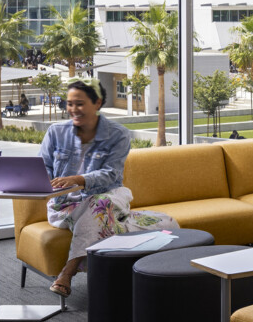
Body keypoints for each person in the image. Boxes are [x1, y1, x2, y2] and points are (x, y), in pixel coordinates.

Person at [40, 80, 170, 297]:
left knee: (99, 204)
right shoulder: (55, 132)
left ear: (97, 102)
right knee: (164, 222)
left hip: (109, 195)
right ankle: (153, 228)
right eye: (69, 103)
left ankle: (67, 272)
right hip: (66, 204)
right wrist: (39, 182)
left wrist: (79, 179)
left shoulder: (118, 134)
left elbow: (111, 173)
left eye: (79, 103)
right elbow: (42, 167)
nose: (73, 109)